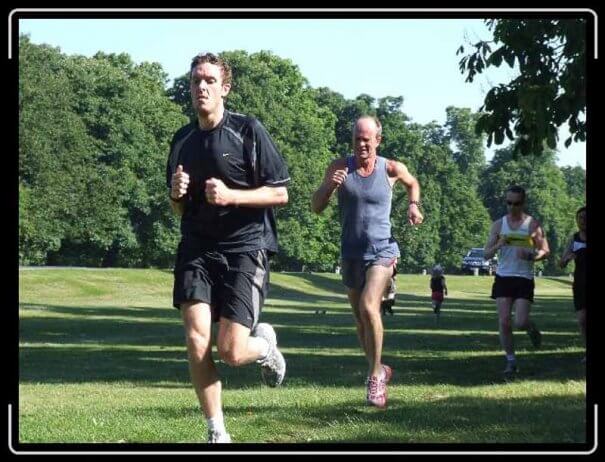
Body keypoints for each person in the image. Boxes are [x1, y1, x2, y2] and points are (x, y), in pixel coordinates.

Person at [166, 52, 290, 443]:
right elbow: (177, 207)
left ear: (225, 88)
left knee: (232, 352)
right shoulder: (182, 140)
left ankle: (266, 347)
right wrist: (175, 195)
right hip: (197, 248)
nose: (201, 87)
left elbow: (281, 193)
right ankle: (216, 432)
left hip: (245, 248)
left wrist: (232, 196)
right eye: (195, 81)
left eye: (208, 81)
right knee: (196, 338)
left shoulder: (248, 131)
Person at [311, 115, 424, 408]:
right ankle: (380, 367)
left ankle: (374, 378)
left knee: (368, 305)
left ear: (378, 140)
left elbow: (413, 184)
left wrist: (413, 205)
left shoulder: (390, 168)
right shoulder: (339, 167)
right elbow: (316, 207)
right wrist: (329, 188)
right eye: (357, 139)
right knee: (360, 321)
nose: (361, 144)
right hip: (351, 253)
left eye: (367, 139)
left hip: (383, 251)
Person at [483, 185, 550, 379]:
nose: (512, 207)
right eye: (509, 203)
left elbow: (545, 251)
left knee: (520, 321)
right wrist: (498, 245)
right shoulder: (498, 225)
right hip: (504, 277)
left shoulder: (532, 224)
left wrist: (533, 256)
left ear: (523, 203)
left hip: (524, 278)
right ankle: (511, 362)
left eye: (517, 203)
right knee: (504, 321)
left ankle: (532, 329)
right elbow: (486, 254)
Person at [559, 206, 586, 363]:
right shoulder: (574, 239)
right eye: (580, 218)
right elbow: (561, 264)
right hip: (580, 285)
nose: (583, 221)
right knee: (582, 320)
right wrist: (567, 258)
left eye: (585, 217)